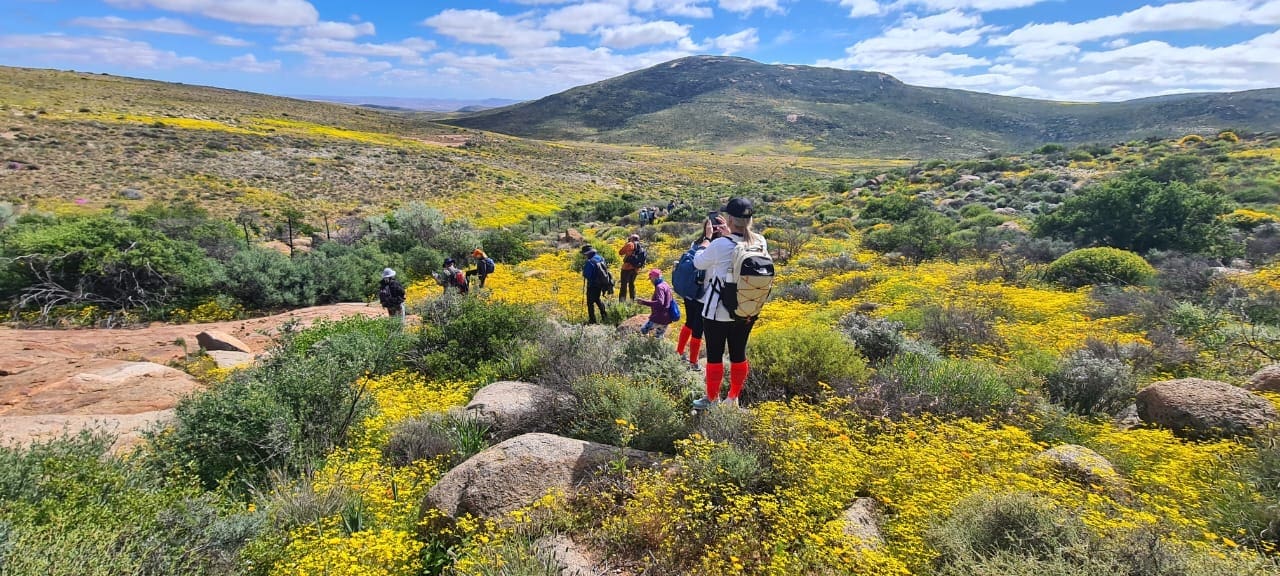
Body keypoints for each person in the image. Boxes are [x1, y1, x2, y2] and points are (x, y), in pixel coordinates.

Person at [691, 198, 767, 409]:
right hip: (747, 308)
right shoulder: (760, 241)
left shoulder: (719, 244)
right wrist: (729, 233)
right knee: (738, 353)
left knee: (715, 355)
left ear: (730, 219)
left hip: (718, 310)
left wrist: (707, 240)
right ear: (750, 220)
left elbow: (699, 262)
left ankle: (711, 399)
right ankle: (733, 398)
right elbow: (739, 244)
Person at [674, 238, 706, 371]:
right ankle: (693, 362)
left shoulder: (696, 243)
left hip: (689, 291)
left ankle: (679, 351)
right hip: (702, 295)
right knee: (698, 330)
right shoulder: (714, 246)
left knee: (689, 322)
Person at [636, 268, 675, 338]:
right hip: (666, 318)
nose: (651, 280)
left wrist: (644, 302)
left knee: (642, 332)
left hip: (658, 318)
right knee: (658, 338)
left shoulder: (659, 287)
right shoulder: (665, 284)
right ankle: (656, 347)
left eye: (651, 278)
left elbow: (660, 303)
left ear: (654, 278)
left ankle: (644, 347)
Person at [581, 245, 610, 324]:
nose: (585, 256)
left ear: (587, 253)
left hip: (593, 285)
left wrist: (584, 272)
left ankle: (592, 320)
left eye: (585, 254)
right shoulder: (601, 258)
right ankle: (604, 316)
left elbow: (587, 275)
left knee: (590, 303)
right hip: (601, 284)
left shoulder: (590, 262)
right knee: (597, 299)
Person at [618, 233, 642, 301]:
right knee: (631, 284)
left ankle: (622, 302)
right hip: (635, 269)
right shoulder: (640, 246)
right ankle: (632, 300)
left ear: (632, 239)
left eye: (630, 238)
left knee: (623, 285)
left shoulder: (630, 244)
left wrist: (627, 243)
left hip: (626, 268)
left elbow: (620, 252)